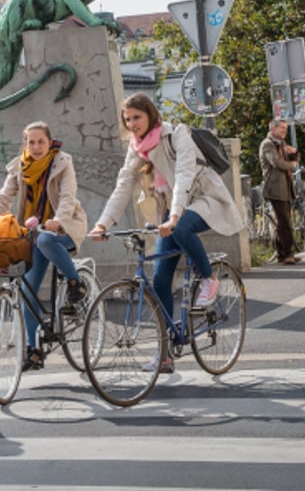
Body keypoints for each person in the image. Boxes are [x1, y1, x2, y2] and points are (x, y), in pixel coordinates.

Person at [89, 93, 243, 373]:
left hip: (202, 199)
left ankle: (209, 276)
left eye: (137, 117)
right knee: (160, 279)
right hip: (170, 209)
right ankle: (165, 354)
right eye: (127, 119)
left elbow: (184, 174)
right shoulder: (137, 148)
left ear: (150, 115)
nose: (132, 124)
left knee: (183, 227)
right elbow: (123, 187)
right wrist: (103, 224)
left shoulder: (177, 134)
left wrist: (174, 215)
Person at [0, 121, 88, 371]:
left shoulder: (62, 162)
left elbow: (67, 196)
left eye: (41, 141)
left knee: (46, 239)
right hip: (34, 232)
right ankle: (34, 350)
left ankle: (76, 283)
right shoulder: (20, 167)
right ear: (25, 144)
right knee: (28, 292)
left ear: (50, 143)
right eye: (31, 142)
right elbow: (3, 197)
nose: (36, 147)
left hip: (65, 226)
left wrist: (58, 221)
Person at [258, 118, 301, 264]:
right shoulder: (267, 145)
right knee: (284, 222)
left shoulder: (280, 144)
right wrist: (293, 165)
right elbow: (277, 163)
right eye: (282, 128)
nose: (285, 131)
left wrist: (294, 153)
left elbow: (292, 159)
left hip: (286, 187)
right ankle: (287, 254)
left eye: (286, 129)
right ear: (273, 129)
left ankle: (283, 253)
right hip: (275, 188)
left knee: (282, 222)